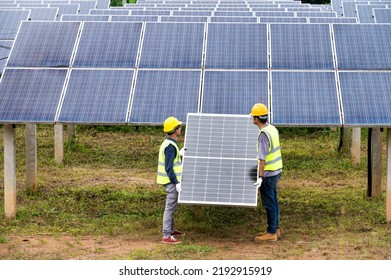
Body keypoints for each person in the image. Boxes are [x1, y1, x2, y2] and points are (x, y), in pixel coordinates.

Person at [251, 103, 283, 242]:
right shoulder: (272, 129)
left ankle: (271, 233)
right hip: (277, 170)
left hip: (268, 173)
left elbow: (262, 159)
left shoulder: (263, 135)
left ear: (257, 119)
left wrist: (260, 177)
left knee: (269, 202)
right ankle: (276, 228)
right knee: (274, 200)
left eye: (253, 116)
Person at [157, 116, 185, 244]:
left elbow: (172, 160)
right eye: (179, 127)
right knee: (170, 207)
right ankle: (166, 235)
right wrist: (176, 182)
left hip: (171, 182)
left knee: (172, 207)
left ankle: (171, 229)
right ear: (175, 130)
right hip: (171, 182)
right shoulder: (169, 146)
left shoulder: (170, 143)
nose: (181, 128)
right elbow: (169, 168)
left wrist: (179, 153)